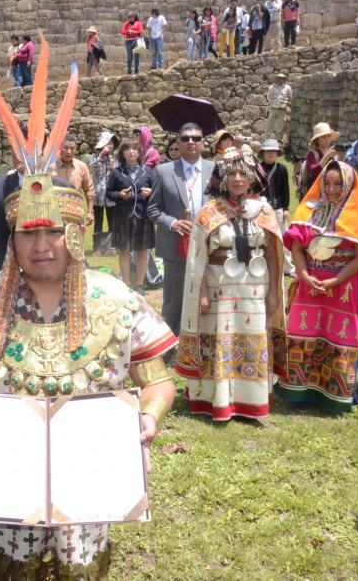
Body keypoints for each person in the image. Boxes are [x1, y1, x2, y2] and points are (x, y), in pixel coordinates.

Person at [0, 133, 177, 580]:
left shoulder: (117, 301)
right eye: (28, 232)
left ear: (76, 234)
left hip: (88, 487)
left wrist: (148, 416)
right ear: (12, 238)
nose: (41, 245)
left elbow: (159, 380)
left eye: (53, 232)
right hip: (3, 488)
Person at [175, 147, 285, 420]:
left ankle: (252, 400)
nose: (237, 178)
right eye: (232, 173)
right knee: (219, 340)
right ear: (222, 178)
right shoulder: (209, 212)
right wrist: (200, 293)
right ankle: (217, 399)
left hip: (255, 288)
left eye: (243, 173)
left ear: (251, 177)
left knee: (253, 338)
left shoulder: (265, 210)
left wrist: (273, 295)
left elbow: (272, 254)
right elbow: (196, 258)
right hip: (218, 287)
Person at [274, 161, 358, 413]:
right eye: (326, 183)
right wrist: (305, 275)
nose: (331, 189)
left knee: (337, 334)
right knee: (304, 331)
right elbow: (297, 246)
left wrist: (334, 281)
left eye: (337, 184)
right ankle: (300, 388)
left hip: (342, 289)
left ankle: (335, 393)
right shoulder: (309, 211)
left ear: (349, 186)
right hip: (309, 284)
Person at [148, 123, 215, 337]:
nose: (191, 142)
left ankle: (206, 341)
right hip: (176, 245)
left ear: (203, 142)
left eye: (196, 138)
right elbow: (153, 208)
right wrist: (171, 223)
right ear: (178, 142)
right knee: (174, 300)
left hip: (210, 245)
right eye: (185, 138)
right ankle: (170, 345)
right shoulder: (165, 170)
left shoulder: (216, 170)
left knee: (210, 294)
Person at [107, 137, 156, 293]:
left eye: (134, 149)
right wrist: (119, 195)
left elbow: (156, 192)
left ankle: (140, 284)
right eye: (127, 149)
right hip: (123, 215)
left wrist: (151, 192)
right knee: (125, 250)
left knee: (142, 251)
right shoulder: (116, 172)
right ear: (122, 153)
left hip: (143, 216)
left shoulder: (147, 171)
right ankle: (126, 283)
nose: (131, 152)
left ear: (139, 152)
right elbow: (108, 193)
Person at [259, 139, 295, 276]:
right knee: (262, 238)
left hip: (278, 208)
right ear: (263, 153)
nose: (270, 154)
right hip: (262, 210)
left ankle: (288, 268)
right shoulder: (258, 168)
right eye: (268, 151)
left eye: (273, 151)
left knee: (283, 239)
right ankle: (262, 265)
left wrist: (285, 208)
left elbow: (285, 190)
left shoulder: (282, 169)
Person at [55, 133, 96, 223]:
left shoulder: (82, 166)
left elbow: (89, 189)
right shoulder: (50, 168)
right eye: (65, 148)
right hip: (55, 213)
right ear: (59, 148)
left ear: (76, 149)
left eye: (72, 148)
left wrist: (90, 211)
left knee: (76, 236)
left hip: (76, 211)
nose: (68, 151)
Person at [90, 131, 119, 257]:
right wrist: (102, 155)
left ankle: (112, 246)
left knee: (112, 220)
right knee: (98, 220)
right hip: (98, 194)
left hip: (112, 195)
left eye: (112, 143)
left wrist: (114, 168)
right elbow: (94, 168)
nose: (110, 146)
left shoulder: (116, 158)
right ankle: (97, 247)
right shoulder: (95, 156)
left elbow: (119, 176)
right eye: (108, 143)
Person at [302, 122, 341, 195]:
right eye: (323, 137)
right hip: (317, 191)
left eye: (329, 136)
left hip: (332, 190)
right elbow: (314, 171)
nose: (327, 139)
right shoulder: (312, 154)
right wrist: (327, 156)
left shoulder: (335, 154)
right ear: (317, 140)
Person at [265, 73, 293, 140]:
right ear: (276, 80)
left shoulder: (287, 88)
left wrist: (284, 104)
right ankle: (266, 139)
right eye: (279, 78)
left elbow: (290, 97)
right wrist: (273, 104)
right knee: (270, 124)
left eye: (282, 79)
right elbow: (268, 97)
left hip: (282, 109)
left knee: (281, 125)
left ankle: (279, 140)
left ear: (284, 80)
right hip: (273, 108)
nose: (280, 80)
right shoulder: (272, 87)